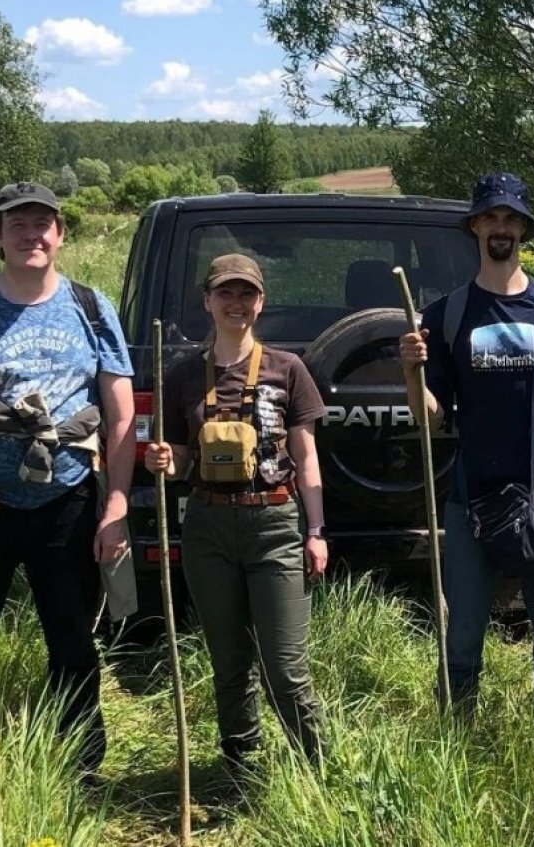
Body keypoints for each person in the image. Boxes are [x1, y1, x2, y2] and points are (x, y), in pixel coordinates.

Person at [0, 181, 136, 776]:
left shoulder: (92, 306)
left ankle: (81, 769)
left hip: (67, 497)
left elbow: (120, 413)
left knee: (71, 642)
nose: (31, 234)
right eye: (18, 225)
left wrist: (115, 502)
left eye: (43, 223)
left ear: (60, 235)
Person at [398, 172, 534, 713]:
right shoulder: (447, 315)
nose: (501, 227)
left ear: (524, 231)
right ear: (476, 228)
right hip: (473, 503)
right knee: (462, 640)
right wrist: (412, 373)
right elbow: (431, 417)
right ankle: (454, 744)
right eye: (491, 217)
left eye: (511, 218)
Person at [144, 253, 328, 771]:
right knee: (229, 662)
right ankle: (241, 767)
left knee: (285, 669)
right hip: (207, 526)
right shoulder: (183, 375)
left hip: (275, 523)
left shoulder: (287, 369)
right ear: (207, 301)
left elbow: (307, 457)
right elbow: (180, 461)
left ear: (261, 302)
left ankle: (318, 773)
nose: (236, 303)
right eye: (225, 293)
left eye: (246, 294)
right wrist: (166, 459)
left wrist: (316, 531)